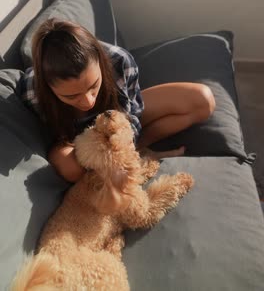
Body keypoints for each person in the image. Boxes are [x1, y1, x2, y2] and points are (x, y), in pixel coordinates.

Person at [21, 18, 215, 183]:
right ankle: (122, 163)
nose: (88, 101)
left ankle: (139, 151)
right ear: (48, 87)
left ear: (100, 58)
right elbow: (52, 141)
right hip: (77, 143)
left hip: (117, 123)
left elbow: (132, 115)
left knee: (203, 100)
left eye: (93, 86)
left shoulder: (118, 61)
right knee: (71, 168)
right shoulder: (33, 93)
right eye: (71, 96)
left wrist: (125, 144)